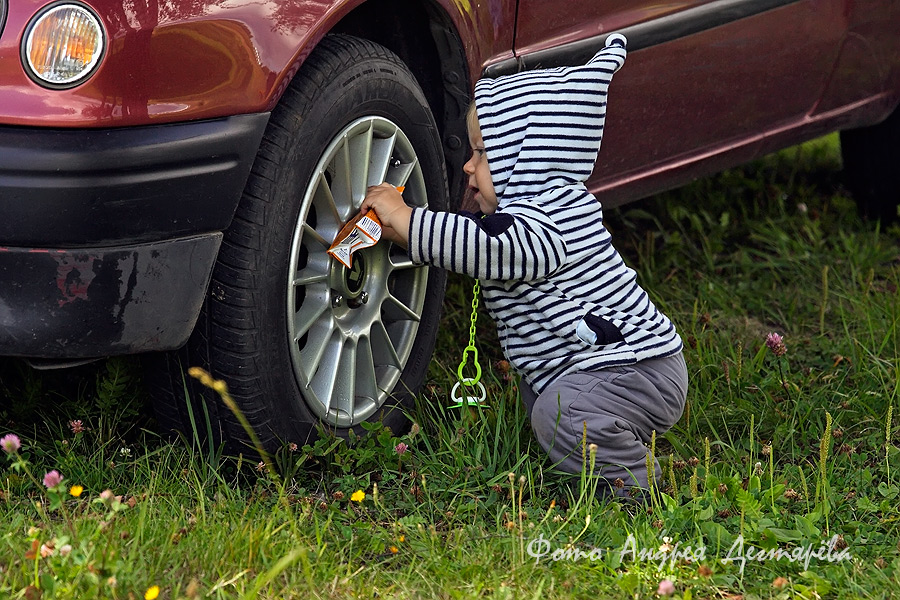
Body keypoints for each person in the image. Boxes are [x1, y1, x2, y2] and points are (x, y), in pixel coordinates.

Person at [361, 34, 687, 498]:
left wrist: (408, 220)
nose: (468, 168)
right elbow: (474, 240)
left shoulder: (551, 218)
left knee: (563, 412)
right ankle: (614, 439)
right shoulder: (531, 214)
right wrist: (409, 234)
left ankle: (634, 489)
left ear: (527, 159)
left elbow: (493, 248)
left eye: (483, 154)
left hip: (637, 367)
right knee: (551, 405)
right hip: (606, 367)